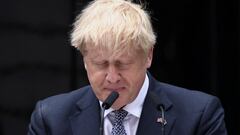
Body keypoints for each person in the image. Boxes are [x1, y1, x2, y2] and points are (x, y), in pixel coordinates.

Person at [28, 0, 227, 135]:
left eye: (123, 63)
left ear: (148, 55)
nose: (112, 77)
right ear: (84, 59)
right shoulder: (50, 119)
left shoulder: (199, 115)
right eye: (101, 64)